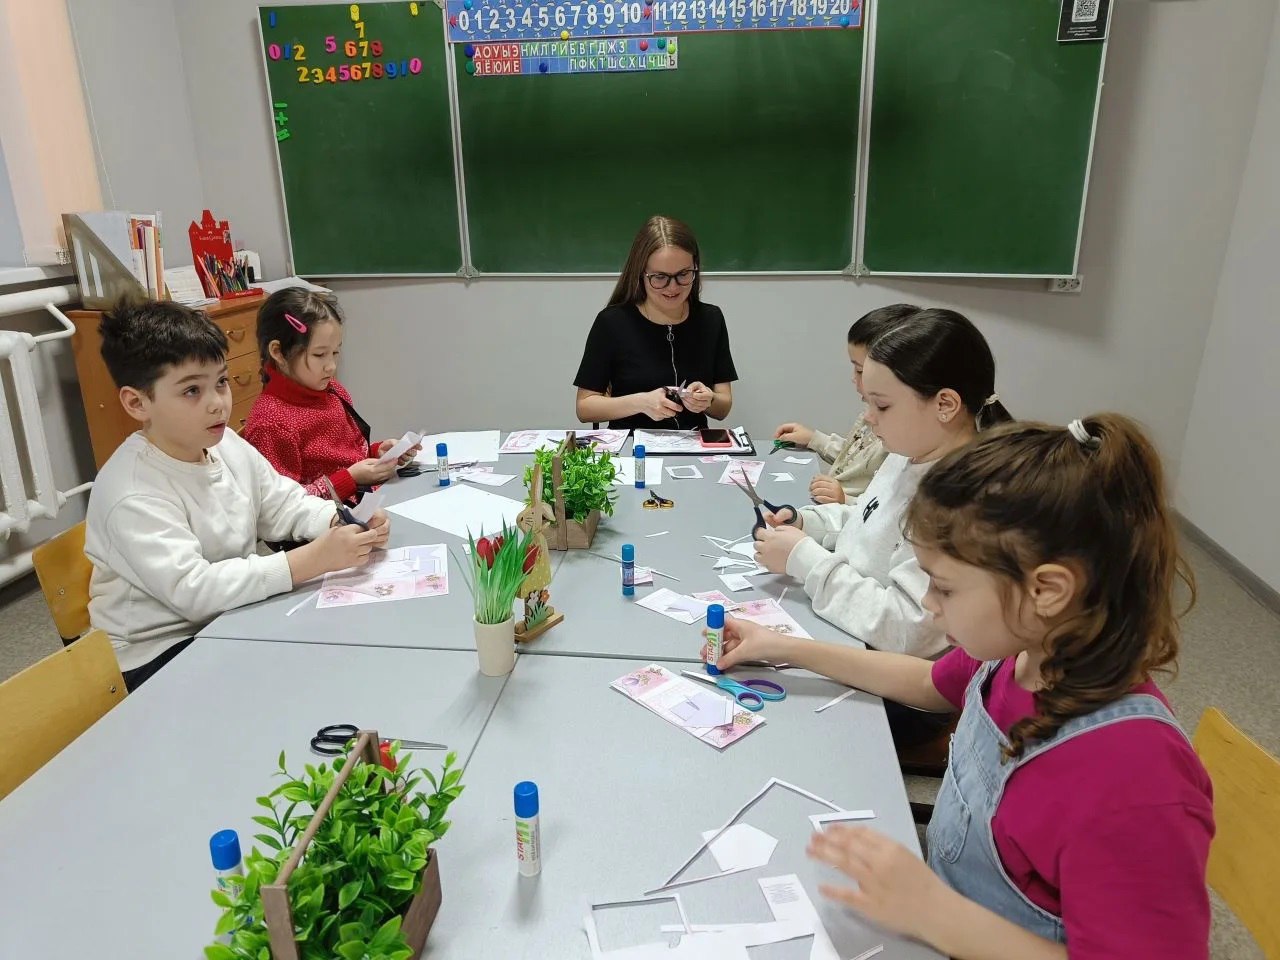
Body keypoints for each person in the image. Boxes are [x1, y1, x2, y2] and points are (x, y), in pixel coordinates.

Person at [708, 414, 1214, 959]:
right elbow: (927, 681)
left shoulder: (1137, 780)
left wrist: (934, 912)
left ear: (1046, 590)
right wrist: (782, 647)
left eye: (944, 589)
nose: (928, 605)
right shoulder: (1019, 652)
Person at [84, 300, 390, 690]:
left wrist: (338, 519)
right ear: (137, 403)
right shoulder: (131, 492)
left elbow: (282, 502)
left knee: (341, 646)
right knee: (301, 679)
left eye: (221, 382)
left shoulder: (224, 443)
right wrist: (309, 560)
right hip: (159, 653)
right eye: (192, 390)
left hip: (226, 618)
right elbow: (195, 591)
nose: (218, 403)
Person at [755, 309, 1012, 659]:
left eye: (882, 405)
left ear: (945, 404)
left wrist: (805, 560)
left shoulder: (960, 502)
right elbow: (870, 521)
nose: (868, 417)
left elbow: (907, 631)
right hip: (848, 633)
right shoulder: (908, 453)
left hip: (884, 671)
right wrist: (808, 523)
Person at [243, 288, 420, 503]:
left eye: (335, 352)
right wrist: (350, 479)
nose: (331, 366)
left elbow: (348, 455)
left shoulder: (333, 392)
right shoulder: (271, 423)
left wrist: (378, 453)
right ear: (278, 352)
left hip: (367, 501)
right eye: (320, 354)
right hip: (329, 519)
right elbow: (284, 505)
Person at [574, 215, 737, 430]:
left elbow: (723, 408)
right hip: (632, 445)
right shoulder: (612, 323)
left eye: (683, 274)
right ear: (641, 274)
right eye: (660, 277)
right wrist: (641, 402)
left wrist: (708, 400)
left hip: (693, 444)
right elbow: (584, 408)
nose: (673, 287)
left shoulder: (710, 319)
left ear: (695, 268)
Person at [773, 303, 917, 504]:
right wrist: (815, 439)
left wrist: (846, 500)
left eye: (860, 370)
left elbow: (885, 509)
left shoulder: (903, 440)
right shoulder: (873, 414)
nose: (854, 378)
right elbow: (858, 458)